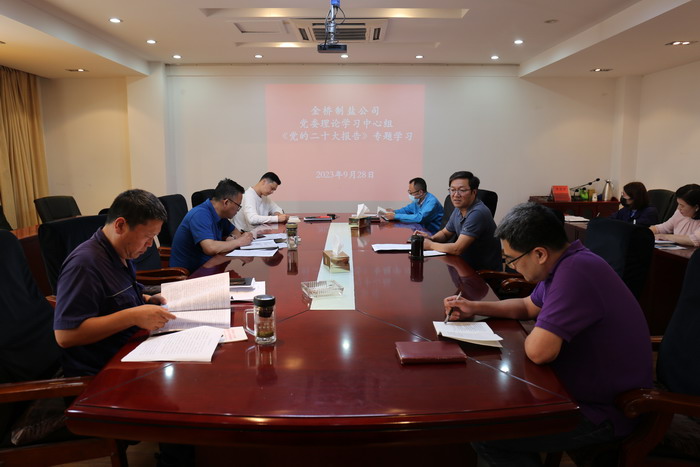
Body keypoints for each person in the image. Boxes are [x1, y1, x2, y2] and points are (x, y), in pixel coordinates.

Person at [443, 202, 652, 466]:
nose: (512, 268)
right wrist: (475, 307)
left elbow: (539, 352)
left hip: (605, 411)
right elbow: (528, 306)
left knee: (489, 433)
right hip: (573, 389)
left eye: (512, 260)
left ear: (539, 253)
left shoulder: (575, 273)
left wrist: (536, 331)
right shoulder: (566, 262)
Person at [53, 189, 176, 377]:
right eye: (147, 237)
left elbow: (112, 299)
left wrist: (146, 299)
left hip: (133, 349)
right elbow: (65, 335)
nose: (150, 245)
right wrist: (133, 316)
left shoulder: (122, 253)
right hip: (104, 372)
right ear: (120, 225)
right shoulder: (84, 265)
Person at [413, 171, 501, 271]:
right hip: (465, 266)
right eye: (452, 190)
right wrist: (431, 238)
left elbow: (457, 249)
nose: (455, 195)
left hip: (483, 273)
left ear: (474, 192)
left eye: (462, 190)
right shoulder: (459, 209)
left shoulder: (477, 213)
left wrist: (430, 245)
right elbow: (445, 233)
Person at [170, 178, 253, 272]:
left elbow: (235, 231)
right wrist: (239, 242)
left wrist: (232, 237)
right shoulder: (200, 214)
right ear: (226, 202)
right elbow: (210, 248)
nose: (238, 209)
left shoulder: (220, 214)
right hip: (190, 274)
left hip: (211, 266)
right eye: (238, 205)